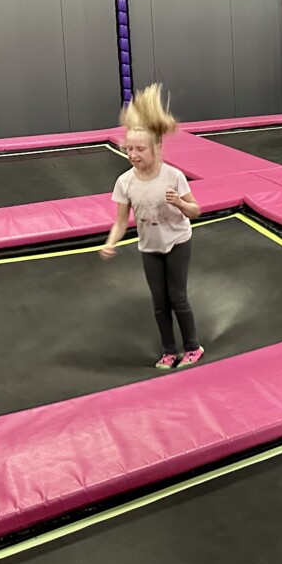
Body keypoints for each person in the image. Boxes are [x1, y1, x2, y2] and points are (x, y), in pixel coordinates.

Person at [100, 84, 204, 371]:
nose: (133, 154)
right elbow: (121, 221)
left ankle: (193, 347)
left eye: (140, 149)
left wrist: (180, 203)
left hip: (178, 241)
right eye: (129, 149)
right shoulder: (125, 182)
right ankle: (169, 351)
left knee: (177, 297)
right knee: (159, 302)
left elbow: (195, 211)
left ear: (157, 148)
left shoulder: (173, 176)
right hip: (149, 246)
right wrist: (110, 242)